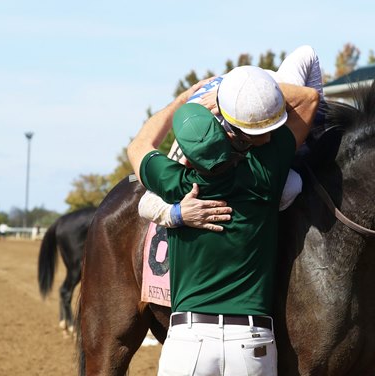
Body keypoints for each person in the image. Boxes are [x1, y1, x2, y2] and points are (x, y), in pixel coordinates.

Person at [128, 65, 318, 375]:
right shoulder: (265, 173)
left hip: (188, 340)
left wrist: (184, 100)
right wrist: (228, 95)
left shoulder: (175, 184)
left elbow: (138, 146)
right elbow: (309, 98)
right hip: (251, 338)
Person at [138, 45, 324, 226]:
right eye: (257, 134)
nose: (268, 139)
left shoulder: (282, 89)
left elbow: (308, 54)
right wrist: (178, 214)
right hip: (225, 104)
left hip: (257, 87)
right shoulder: (200, 130)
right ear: (231, 128)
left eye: (272, 129)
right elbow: (146, 203)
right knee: (291, 186)